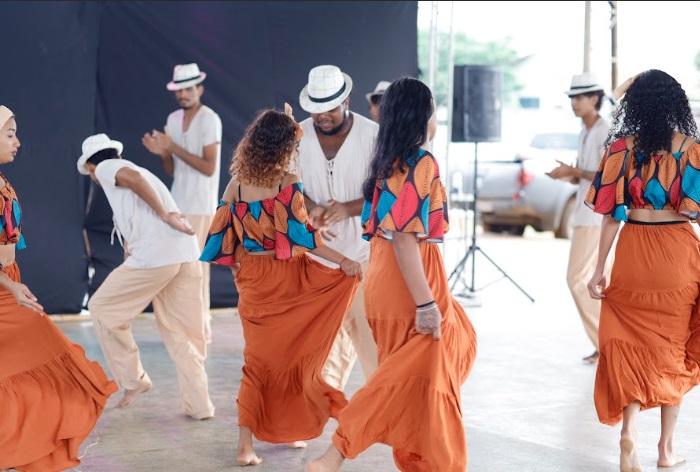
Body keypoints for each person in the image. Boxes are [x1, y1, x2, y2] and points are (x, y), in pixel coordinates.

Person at [307, 77, 477, 472]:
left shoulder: (387, 162)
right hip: (409, 273)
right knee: (408, 377)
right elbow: (404, 239)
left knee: (444, 352)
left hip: (383, 273)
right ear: (422, 115)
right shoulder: (420, 162)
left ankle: (417, 459)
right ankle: (336, 453)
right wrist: (426, 304)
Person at [200, 104, 363, 466]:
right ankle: (279, 432)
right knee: (291, 357)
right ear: (284, 149)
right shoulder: (286, 184)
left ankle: (249, 444)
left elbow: (221, 236)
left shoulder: (235, 185)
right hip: (286, 276)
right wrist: (344, 260)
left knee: (257, 362)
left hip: (252, 279)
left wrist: (244, 267)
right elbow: (305, 239)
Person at [585, 69, 700, 472]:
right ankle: (666, 451)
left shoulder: (620, 148)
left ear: (635, 105)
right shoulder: (690, 149)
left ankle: (629, 429)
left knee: (632, 344)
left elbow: (608, 216)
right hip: (676, 252)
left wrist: (599, 268)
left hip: (633, 250)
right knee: (674, 346)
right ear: (676, 104)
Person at [0, 106, 118, 471]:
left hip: (8, 281)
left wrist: (13, 281)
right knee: (52, 359)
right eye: (9, 134)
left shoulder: (3, 181)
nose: (18, 141)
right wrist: (10, 286)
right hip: (5, 289)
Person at [78, 133, 215, 420]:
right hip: (185, 253)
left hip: (158, 256)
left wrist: (165, 215)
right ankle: (200, 407)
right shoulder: (141, 173)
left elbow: (132, 180)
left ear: (90, 166)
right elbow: (135, 208)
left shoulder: (107, 168)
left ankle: (134, 380)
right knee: (182, 334)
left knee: (101, 308)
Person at [297, 64, 379, 393]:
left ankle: (383, 417)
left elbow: (388, 191)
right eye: (316, 110)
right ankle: (313, 416)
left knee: (372, 342)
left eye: (329, 108)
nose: (322, 116)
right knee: (319, 345)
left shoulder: (372, 134)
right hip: (320, 258)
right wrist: (312, 208)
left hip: (365, 256)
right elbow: (286, 188)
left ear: (346, 99)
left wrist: (347, 209)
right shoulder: (297, 135)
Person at [142, 62, 223, 343]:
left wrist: (173, 147)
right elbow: (172, 170)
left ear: (199, 89)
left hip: (201, 206)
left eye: (188, 88)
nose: (183, 94)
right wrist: (162, 152)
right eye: (179, 89)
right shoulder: (173, 119)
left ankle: (201, 331)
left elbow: (209, 167)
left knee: (198, 269)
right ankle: (183, 327)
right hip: (177, 204)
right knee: (179, 267)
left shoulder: (210, 119)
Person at [546, 72, 612, 364]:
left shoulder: (604, 130)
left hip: (597, 218)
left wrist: (574, 173)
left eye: (579, 97)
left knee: (576, 279)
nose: (574, 103)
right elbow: (586, 177)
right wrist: (569, 175)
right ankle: (608, 344)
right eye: (572, 97)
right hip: (587, 215)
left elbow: (606, 176)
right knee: (596, 284)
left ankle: (606, 343)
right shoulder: (585, 131)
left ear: (594, 99)